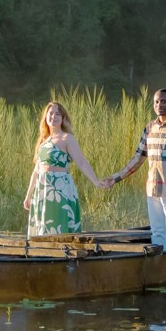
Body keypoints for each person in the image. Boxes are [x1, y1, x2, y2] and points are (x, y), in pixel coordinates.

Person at [108, 88, 166, 251]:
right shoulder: (149, 128)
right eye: (156, 102)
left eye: (164, 101)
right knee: (157, 232)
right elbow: (138, 158)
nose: (160, 105)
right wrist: (116, 178)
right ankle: (159, 266)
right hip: (152, 189)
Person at [22, 101, 108, 236]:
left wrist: (95, 181)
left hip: (60, 188)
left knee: (58, 224)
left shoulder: (67, 138)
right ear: (45, 116)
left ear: (63, 119)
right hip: (43, 188)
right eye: (51, 113)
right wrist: (28, 195)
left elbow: (81, 162)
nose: (54, 117)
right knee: (44, 226)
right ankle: (42, 254)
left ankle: (62, 254)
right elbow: (36, 170)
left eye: (58, 114)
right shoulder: (43, 141)